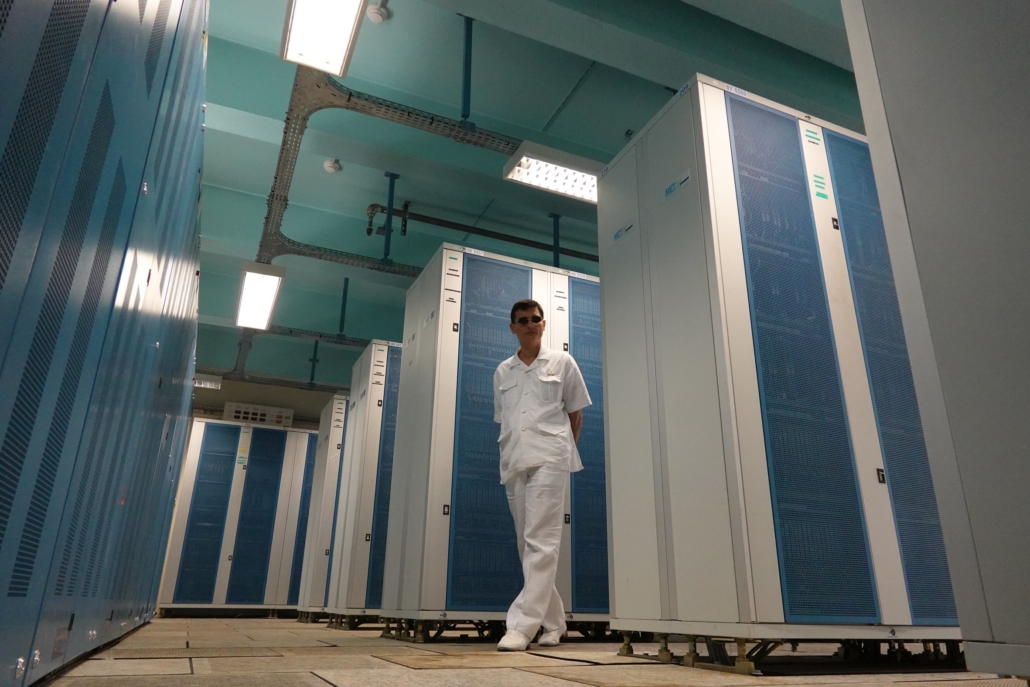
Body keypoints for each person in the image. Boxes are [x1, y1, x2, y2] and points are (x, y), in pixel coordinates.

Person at [492, 298, 591, 651]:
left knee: (541, 541)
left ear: (544, 324)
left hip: (550, 457)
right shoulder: (503, 371)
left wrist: (562, 451)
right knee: (527, 545)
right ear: (513, 328)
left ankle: (521, 626)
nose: (531, 324)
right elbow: (504, 417)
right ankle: (554, 622)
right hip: (514, 458)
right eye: (523, 320)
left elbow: (576, 414)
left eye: (536, 319)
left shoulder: (562, 362)